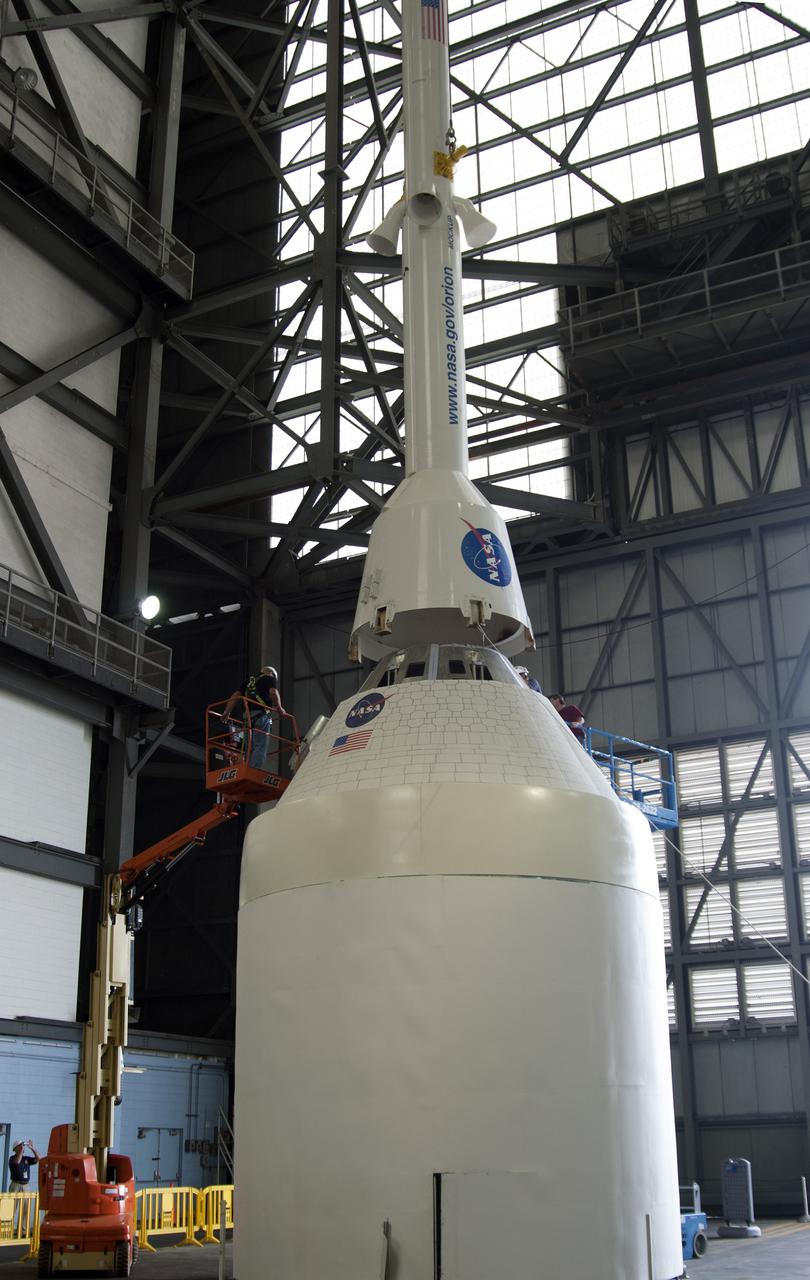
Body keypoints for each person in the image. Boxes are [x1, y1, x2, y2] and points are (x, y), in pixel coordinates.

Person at [223, 665, 286, 769]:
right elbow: (273, 692)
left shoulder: (248, 681)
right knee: (260, 746)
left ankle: (248, 769)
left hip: (247, 718)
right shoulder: (269, 678)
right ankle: (253, 771)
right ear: (271, 674)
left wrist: (226, 712)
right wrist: (279, 708)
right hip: (261, 717)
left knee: (249, 748)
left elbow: (235, 695)